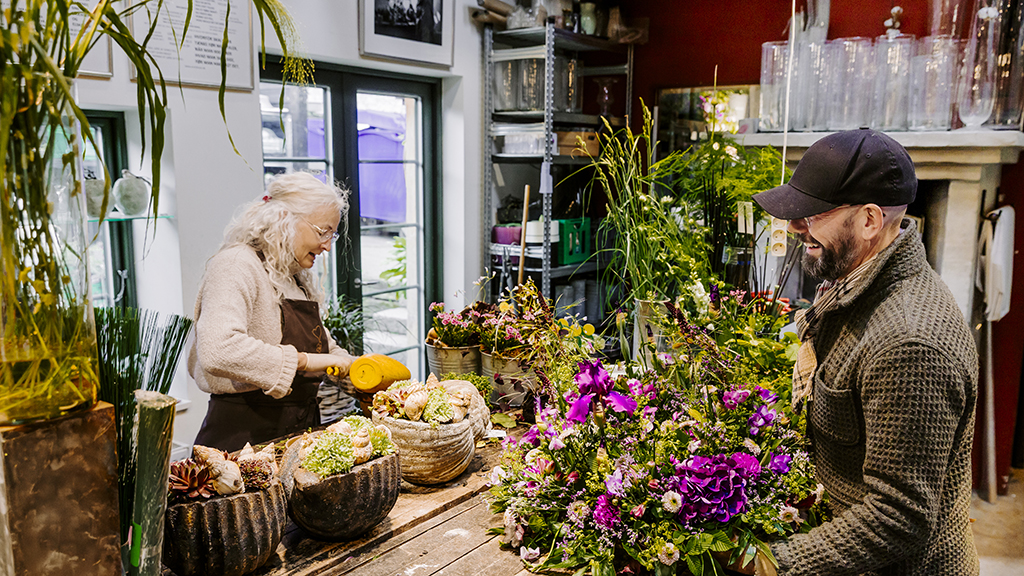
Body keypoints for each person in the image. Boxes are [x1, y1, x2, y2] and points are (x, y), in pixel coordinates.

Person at [747, 129, 979, 576]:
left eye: (812, 213)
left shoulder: (910, 343)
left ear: (870, 220)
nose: (796, 226)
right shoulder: (856, 283)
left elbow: (898, 516)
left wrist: (772, 564)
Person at [189, 172, 356, 452]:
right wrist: (303, 361)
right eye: (322, 231)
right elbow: (219, 350)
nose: (327, 246)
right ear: (284, 218)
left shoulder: (293, 278)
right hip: (241, 439)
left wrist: (355, 367)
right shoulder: (235, 265)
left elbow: (325, 346)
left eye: (332, 234)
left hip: (297, 434)